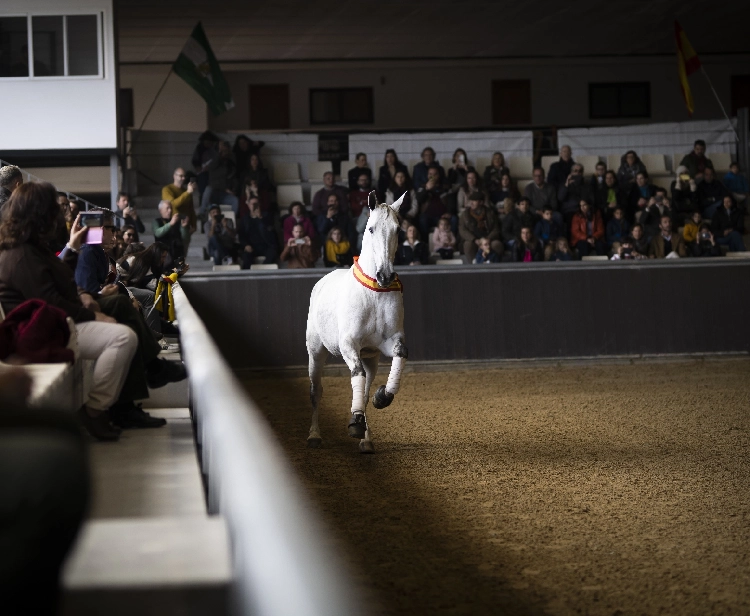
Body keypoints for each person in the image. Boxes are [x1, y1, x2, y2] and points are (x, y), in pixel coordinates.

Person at [0, 183, 141, 440]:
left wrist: (73, 247)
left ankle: (101, 407)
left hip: (50, 322)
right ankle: (95, 409)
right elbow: (50, 301)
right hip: (38, 331)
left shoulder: (31, 246)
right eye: (53, 210)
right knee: (122, 337)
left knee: (121, 328)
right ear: (40, 215)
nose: (58, 216)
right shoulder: (21, 254)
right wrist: (93, 314)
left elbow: (60, 281)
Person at [459, 192, 503, 262]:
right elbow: (462, 230)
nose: (471, 203)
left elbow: (496, 229)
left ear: (481, 202)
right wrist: (474, 239)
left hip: (488, 238)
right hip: (473, 239)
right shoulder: (465, 214)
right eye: (471, 201)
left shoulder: (490, 213)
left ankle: (493, 264)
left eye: (474, 201)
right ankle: (473, 266)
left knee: (497, 244)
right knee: (468, 245)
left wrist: (488, 239)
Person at [237, 197, 279, 268]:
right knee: (246, 257)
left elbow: (271, 233)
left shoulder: (267, 216)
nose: (254, 206)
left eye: (256, 204)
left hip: (266, 245)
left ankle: (263, 271)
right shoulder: (245, 219)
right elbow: (241, 235)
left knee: (273, 253)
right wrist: (246, 245)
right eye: (252, 204)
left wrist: (260, 218)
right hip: (251, 246)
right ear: (249, 205)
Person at [201, 140, 239, 215]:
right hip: (213, 194)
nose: (225, 153)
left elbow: (233, 178)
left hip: (223, 195)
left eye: (226, 150)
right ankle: (202, 214)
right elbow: (213, 181)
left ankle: (231, 222)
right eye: (223, 151)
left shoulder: (230, 164)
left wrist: (233, 189)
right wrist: (219, 152)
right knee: (208, 189)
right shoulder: (214, 162)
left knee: (235, 200)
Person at [416, 165, 452, 238]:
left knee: (454, 219)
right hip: (427, 216)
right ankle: (425, 243)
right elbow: (419, 199)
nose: (432, 176)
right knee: (422, 219)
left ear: (438, 175)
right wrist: (426, 189)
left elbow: (451, 201)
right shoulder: (422, 187)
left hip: (442, 216)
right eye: (430, 174)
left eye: (435, 174)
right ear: (427, 175)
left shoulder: (445, 187)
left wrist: (449, 212)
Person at [153, 200, 190, 265]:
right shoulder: (157, 222)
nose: (170, 210)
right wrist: (170, 224)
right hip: (164, 254)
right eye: (167, 208)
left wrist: (184, 227)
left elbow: (185, 238)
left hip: (177, 252)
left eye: (170, 208)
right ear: (160, 210)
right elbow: (158, 233)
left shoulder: (177, 222)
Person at [162, 167, 198, 233]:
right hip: (173, 225)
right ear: (174, 176)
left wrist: (194, 225)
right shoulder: (167, 189)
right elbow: (173, 204)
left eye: (184, 176)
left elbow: (191, 209)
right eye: (181, 176)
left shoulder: (186, 191)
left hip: (185, 225)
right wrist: (187, 192)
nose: (183, 178)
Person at [191, 130, 219, 194]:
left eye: (209, 142)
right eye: (206, 142)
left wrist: (210, 167)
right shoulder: (199, 148)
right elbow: (195, 160)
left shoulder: (215, 149)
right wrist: (198, 167)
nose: (207, 144)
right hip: (202, 172)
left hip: (213, 172)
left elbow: (217, 161)